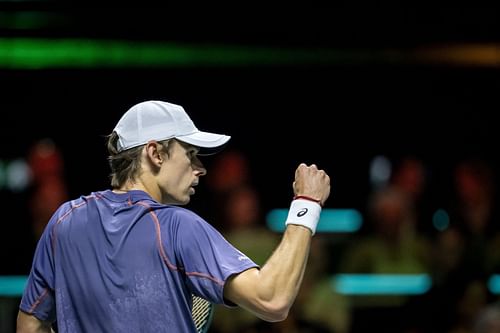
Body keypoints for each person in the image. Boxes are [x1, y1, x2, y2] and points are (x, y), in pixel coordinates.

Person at [16, 100, 331, 333]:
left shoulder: (64, 221)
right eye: (190, 154)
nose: (200, 168)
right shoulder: (178, 226)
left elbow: (30, 323)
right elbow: (272, 300)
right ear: (156, 153)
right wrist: (307, 204)